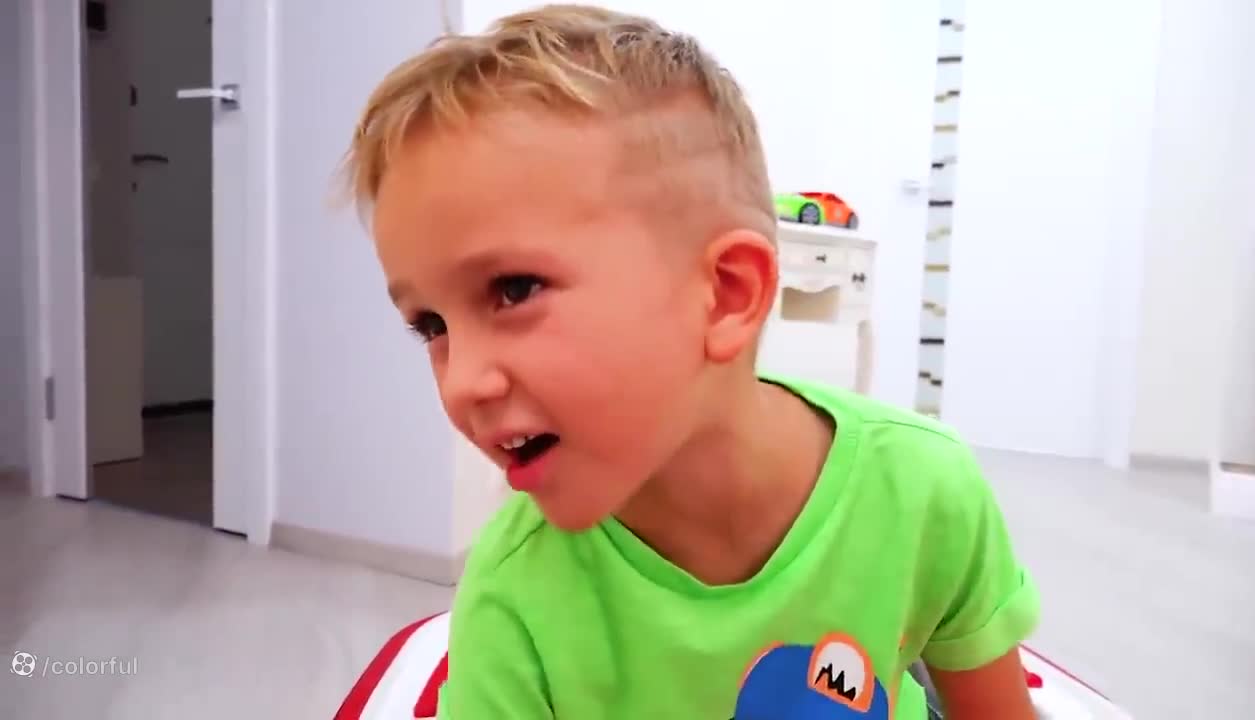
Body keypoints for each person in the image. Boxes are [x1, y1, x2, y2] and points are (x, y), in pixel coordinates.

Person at [341, 5, 1040, 719]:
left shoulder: (924, 492)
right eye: (430, 326)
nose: (462, 384)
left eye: (514, 290)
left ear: (726, 295)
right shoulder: (513, 593)